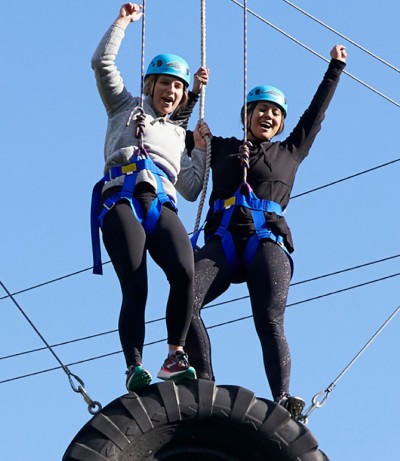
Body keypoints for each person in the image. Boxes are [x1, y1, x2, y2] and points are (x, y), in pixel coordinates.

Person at [185, 45, 347, 419]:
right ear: (247, 115)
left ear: (280, 122)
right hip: (223, 240)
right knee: (184, 302)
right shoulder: (221, 148)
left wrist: (334, 69)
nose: (268, 116)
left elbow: (315, 114)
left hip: (266, 241)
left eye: (275, 113)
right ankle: (204, 383)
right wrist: (193, 100)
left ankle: (283, 397)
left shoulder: (290, 151)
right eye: (261, 110)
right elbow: (174, 132)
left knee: (270, 319)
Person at [90, 3, 209, 392]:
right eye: (165, 84)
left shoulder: (178, 135)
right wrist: (122, 22)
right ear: (149, 85)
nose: (171, 92)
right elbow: (101, 64)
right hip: (121, 197)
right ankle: (134, 365)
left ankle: (175, 354)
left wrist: (201, 150)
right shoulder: (125, 107)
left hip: (162, 202)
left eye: (178, 87)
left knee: (185, 272)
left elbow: (191, 189)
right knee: (136, 283)